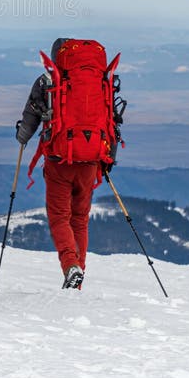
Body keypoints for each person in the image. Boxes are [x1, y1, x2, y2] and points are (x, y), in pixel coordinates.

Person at [15, 37, 121, 291]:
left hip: (59, 159)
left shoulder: (48, 81)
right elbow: (111, 120)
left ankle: (70, 266)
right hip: (91, 160)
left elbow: (30, 118)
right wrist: (108, 160)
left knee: (60, 217)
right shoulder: (101, 81)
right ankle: (77, 278)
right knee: (80, 219)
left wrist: (22, 137)